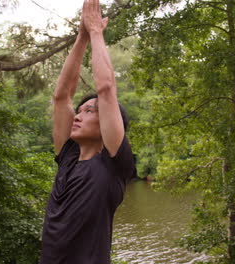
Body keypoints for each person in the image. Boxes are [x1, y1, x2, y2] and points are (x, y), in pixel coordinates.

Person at [40, 0, 136, 263]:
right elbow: (62, 98)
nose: (78, 116)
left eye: (89, 111)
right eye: (80, 111)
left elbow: (106, 89)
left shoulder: (114, 165)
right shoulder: (68, 156)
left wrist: (96, 32)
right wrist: (81, 36)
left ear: (107, 123)